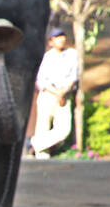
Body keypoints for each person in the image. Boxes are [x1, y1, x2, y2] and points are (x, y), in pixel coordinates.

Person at [30, 28, 78, 158]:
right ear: (51, 41)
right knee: (42, 127)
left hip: (64, 95)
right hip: (48, 94)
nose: (61, 39)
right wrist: (56, 92)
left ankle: (34, 143)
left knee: (63, 129)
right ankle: (42, 159)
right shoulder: (47, 57)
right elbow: (41, 80)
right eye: (57, 37)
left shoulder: (72, 54)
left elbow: (73, 77)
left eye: (62, 36)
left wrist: (62, 92)